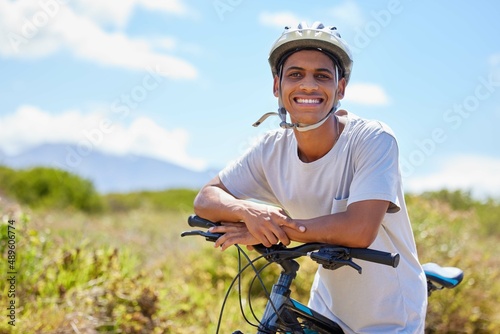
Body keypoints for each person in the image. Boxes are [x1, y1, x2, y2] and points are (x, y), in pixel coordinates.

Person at [193, 21, 427, 333]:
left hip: (391, 314)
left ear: (339, 89)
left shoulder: (373, 139)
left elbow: (359, 229)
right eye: (295, 74)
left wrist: (276, 230)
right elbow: (206, 198)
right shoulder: (270, 148)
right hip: (328, 306)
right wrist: (248, 212)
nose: (308, 85)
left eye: (322, 76)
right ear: (277, 86)